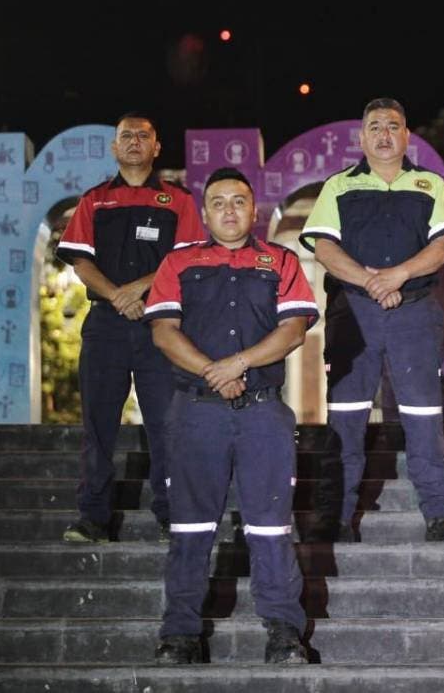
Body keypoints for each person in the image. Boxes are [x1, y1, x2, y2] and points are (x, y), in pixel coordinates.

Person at [145, 168, 318, 665]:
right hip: (196, 413)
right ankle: (181, 633)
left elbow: (294, 330)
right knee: (190, 527)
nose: (229, 210)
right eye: (218, 202)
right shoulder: (179, 262)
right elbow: (163, 332)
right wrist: (213, 372)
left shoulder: (280, 260)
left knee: (270, 527)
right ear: (204, 212)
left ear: (253, 210)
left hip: (263, 413)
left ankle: (283, 631)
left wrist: (237, 364)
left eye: (238, 201)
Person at [299, 97, 444, 542]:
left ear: (407, 135)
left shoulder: (430, 185)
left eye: (393, 126)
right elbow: (324, 247)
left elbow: (443, 246)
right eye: (375, 127)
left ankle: (440, 515)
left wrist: (399, 275)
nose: (384, 134)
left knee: (423, 414)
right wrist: (371, 282)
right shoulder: (339, 186)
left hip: (414, 311)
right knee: (346, 416)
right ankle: (336, 517)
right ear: (362, 137)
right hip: (353, 314)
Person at [55, 112, 207, 543]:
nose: (135, 142)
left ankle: (171, 513)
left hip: (160, 325)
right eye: (127, 136)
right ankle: (93, 517)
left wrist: (136, 291)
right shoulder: (95, 200)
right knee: (98, 425)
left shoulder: (177, 199)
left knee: (166, 424)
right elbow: (81, 262)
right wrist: (118, 297)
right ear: (115, 147)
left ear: (156, 148)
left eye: (143, 136)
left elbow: (186, 259)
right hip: (105, 326)